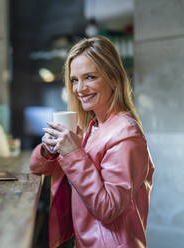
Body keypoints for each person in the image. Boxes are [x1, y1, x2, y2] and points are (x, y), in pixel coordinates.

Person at [30, 36, 155, 248]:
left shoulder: (126, 135)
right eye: (74, 80)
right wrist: (49, 149)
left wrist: (73, 153)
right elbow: (36, 168)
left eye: (89, 77)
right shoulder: (93, 126)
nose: (79, 89)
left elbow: (107, 208)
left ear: (113, 78)